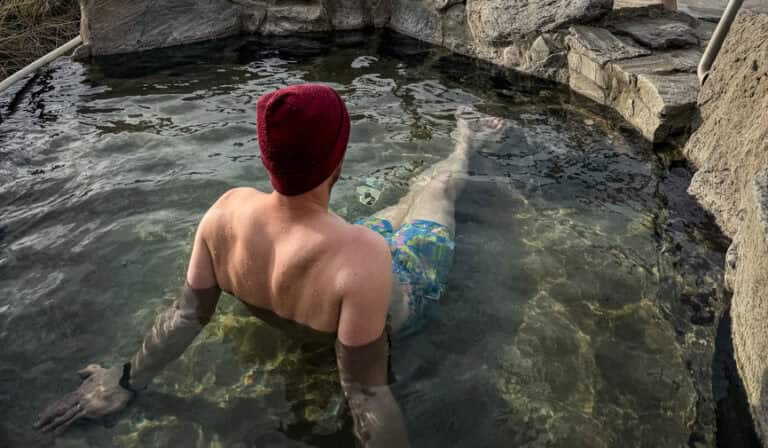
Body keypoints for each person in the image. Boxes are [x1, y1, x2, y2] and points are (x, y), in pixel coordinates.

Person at [35, 84, 495, 444]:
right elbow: (366, 392)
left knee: (407, 199)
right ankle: (465, 141)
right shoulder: (363, 254)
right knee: (434, 193)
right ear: (338, 160)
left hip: (347, 263)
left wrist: (127, 380)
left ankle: (457, 146)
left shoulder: (223, 213)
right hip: (394, 281)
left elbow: (186, 316)